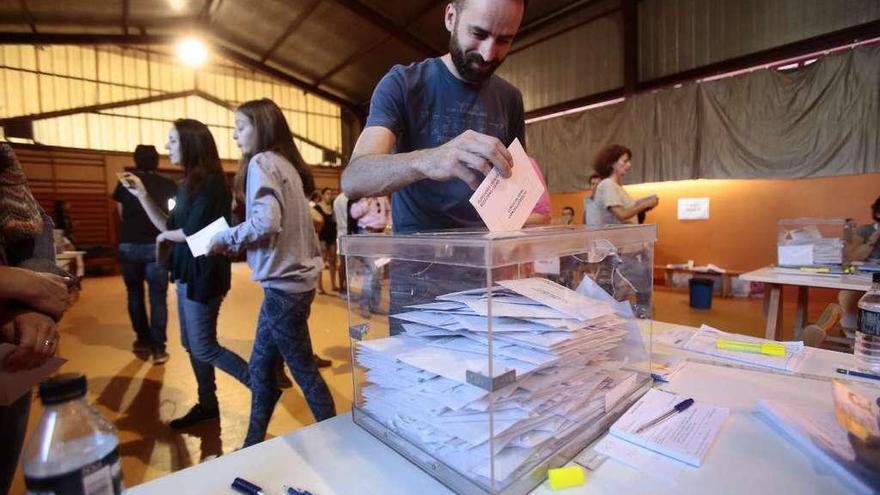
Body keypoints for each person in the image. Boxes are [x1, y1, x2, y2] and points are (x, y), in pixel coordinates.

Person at [208, 98, 336, 448]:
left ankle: (341, 440)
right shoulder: (286, 164)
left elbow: (266, 222)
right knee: (262, 369)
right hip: (292, 284)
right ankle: (252, 442)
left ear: (261, 126)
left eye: (240, 127)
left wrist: (224, 238)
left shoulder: (262, 163)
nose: (234, 136)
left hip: (284, 287)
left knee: (305, 372)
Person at [122, 120, 250, 430]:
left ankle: (260, 383)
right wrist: (141, 195)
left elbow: (191, 232)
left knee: (204, 345)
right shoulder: (187, 184)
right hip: (185, 272)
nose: (168, 147)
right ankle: (208, 404)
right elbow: (168, 226)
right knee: (191, 345)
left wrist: (167, 238)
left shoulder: (212, 183)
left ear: (191, 144)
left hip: (204, 273)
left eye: (173, 141)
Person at [0, 143, 72, 495]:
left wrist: (32, 308)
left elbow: (33, 228)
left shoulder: (4, 163)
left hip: (10, 356)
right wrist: (18, 284)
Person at [112, 145, 178, 363]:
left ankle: (142, 341)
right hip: (156, 245)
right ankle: (159, 348)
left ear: (135, 160)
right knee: (158, 298)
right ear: (157, 161)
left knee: (134, 294)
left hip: (129, 244)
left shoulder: (125, 182)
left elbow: (121, 214)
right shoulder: (168, 183)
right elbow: (171, 215)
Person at [592, 145, 659, 225]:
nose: (629, 165)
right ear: (613, 163)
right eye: (625, 161)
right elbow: (622, 214)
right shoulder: (608, 184)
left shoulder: (616, 186)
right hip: (614, 236)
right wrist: (645, 204)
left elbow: (627, 210)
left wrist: (643, 202)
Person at [350, 196, 391, 318]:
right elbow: (354, 214)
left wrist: (389, 224)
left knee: (379, 271)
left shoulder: (383, 197)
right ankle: (364, 305)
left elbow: (388, 211)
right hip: (366, 233)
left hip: (382, 234)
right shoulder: (362, 197)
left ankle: (374, 305)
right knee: (371, 270)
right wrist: (366, 201)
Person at [313, 188, 339, 295]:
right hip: (321, 238)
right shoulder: (317, 208)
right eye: (328, 193)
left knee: (333, 261)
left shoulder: (333, 208)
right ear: (323, 195)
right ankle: (319, 286)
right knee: (321, 262)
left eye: (331, 193)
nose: (330, 195)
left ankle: (333, 284)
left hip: (332, 237)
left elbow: (335, 223)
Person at [332, 191, 349, 295]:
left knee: (342, 262)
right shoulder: (350, 198)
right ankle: (345, 287)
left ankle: (342, 287)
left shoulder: (337, 199)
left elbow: (334, 218)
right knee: (347, 264)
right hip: (348, 233)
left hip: (340, 232)